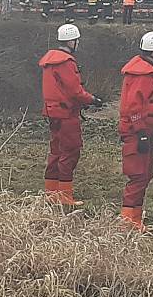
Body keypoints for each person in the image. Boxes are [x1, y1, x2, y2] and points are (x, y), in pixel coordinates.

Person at [39, 24, 104, 206]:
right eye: (76, 40)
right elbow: (75, 91)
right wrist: (92, 100)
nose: (78, 43)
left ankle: (51, 193)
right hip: (66, 113)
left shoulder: (49, 62)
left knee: (56, 152)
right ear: (71, 41)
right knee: (70, 152)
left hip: (53, 112)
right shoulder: (66, 62)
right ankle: (65, 196)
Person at [118, 31, 153, 232]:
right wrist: (140, 132)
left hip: (143, 132)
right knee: (138, 176)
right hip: (138, 133)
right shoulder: (144, 74)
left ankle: (134, 220)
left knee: (145, 174)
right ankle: (128, 221)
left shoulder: (144, 71)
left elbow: (150, 99)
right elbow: (134, 106)